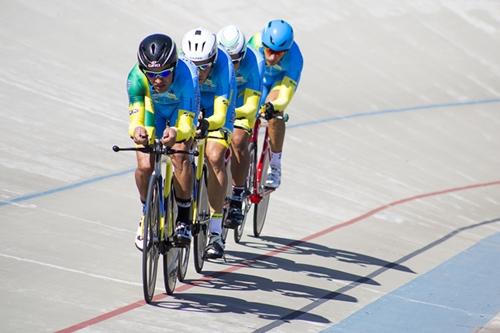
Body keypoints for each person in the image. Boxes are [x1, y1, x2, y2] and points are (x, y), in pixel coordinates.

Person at [127, 33, 200, 250]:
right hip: (153, 111)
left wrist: (177, 132)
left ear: (174, 66)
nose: (158, 80)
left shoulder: (188, 76)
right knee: (144, 164)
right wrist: (137, 129)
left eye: (165, 73)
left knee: (179, 154)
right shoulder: (136, 78)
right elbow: (136, 118)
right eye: (152, 75)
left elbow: (187, 124)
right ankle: (146, 213)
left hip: (180, 110)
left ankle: (184, 218)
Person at [181, 27, 236, 259]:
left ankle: (215, 232)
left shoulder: (224, 67)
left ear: (213, 60)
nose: (199, 71)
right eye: (195, 65)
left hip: (216, 109)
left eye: (204, 66)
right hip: (192, 104)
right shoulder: (183, 67)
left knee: (214, 157)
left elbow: (221, 115)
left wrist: (207, 125)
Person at [217, 25, 264, 227]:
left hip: (242, 105)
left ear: (243, 55)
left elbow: (252, 104)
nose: (230, 64)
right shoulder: (214, 60)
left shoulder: (256, 62)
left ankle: (236, 195)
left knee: (237, 140)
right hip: (221, 103)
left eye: (235, 61)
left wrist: (234, 114)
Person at [248, 19, 303, 188]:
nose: (272, 57)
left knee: (274, 113)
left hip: (278, 83)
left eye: (279, 53)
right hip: (258, 79)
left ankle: (275, 164)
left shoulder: (295, 59)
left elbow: (285, 95)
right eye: (269, 50)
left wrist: (274, 107)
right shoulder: (254, 43)